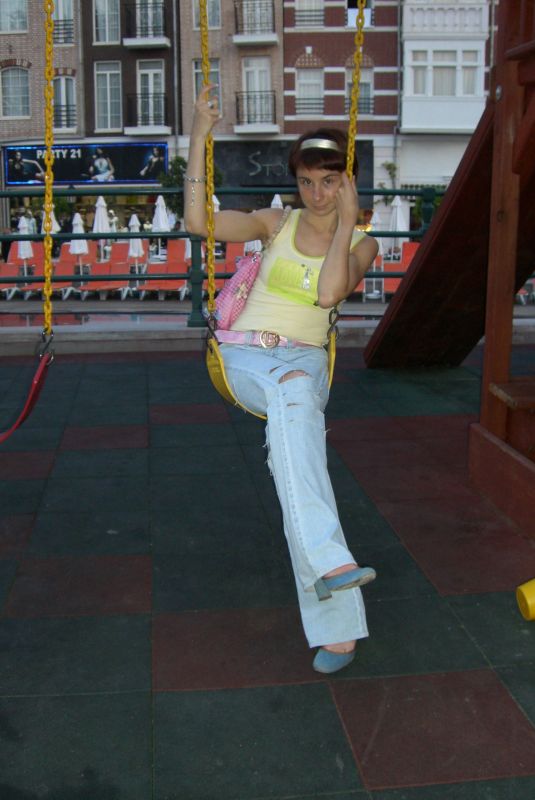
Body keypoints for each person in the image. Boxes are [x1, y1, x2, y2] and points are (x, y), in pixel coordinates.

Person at [185, 84, 379, 675]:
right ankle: (332, 572)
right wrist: (199, 134)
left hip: (304, 363)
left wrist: (346, 224)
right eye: (307, 181)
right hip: (243, 358)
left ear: (347, 182)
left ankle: (336, 615)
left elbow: (328, 293)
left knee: (295, 443)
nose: (316, 194)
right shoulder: (275, 222)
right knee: (293, 408)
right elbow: (198, 222)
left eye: (330, 181)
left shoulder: (364, 244)